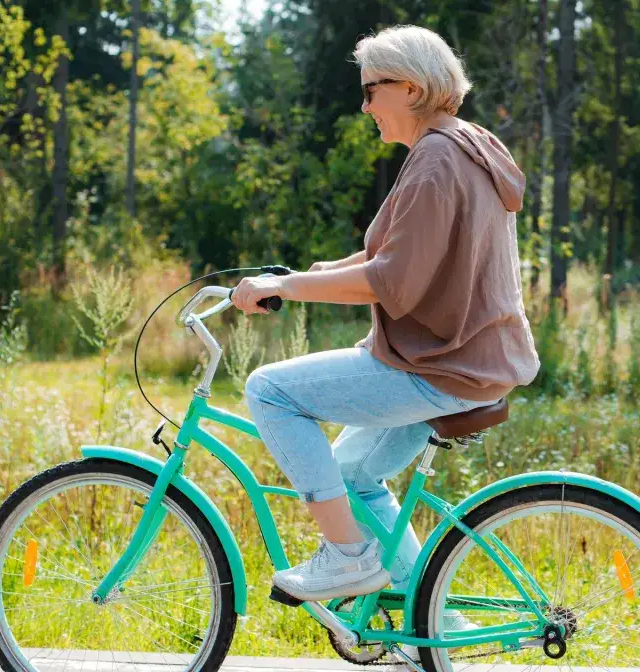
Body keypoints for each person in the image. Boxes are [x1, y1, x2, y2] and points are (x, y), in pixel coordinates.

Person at [231, 24, 539, 615]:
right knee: (353, 472)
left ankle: (347, 555)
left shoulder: (434, 160)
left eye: (373, 89)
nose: (366, 104)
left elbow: (391, 281)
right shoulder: (467, 144)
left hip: (439, 364)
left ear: (413, 88)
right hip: (474, 358)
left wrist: (288, 285)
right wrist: (313, 274)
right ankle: (434, 627)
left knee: (268, 390)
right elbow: (396, 253)